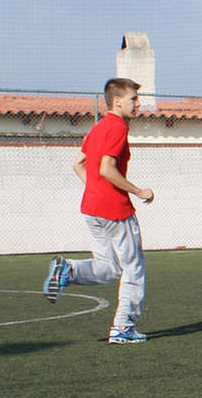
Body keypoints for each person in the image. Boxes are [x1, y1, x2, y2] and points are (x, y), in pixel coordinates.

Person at [44, 77, 156, 343]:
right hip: (115, 210)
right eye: (133, 99)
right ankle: (123, 327)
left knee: (109, 268)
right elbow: (107, 168)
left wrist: (95, 189)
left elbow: (78, 164)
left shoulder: (97, 128)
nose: (138, 104)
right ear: (117, 102)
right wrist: (138, 191)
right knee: (133, 269)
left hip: (91, 208)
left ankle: (68, 270)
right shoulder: (117, 127)